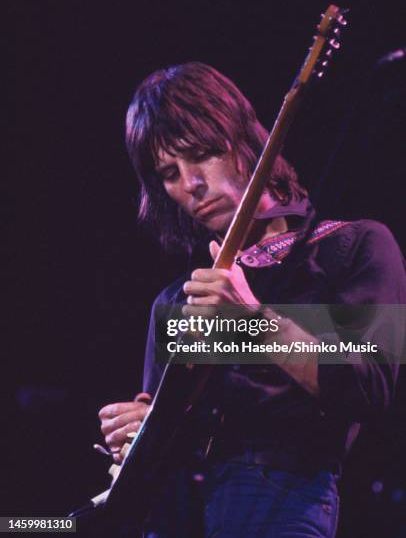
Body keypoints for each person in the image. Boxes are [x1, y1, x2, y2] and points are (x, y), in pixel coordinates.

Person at [98, 62, 406, 537]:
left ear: (243, 141)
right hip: (177, 514)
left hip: (277, 499)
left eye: (201, 154)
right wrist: (144, 432)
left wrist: (252, 320)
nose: (190, 185)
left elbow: (369, 385)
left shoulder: (355, 246)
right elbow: (166, 438)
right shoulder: (174, 301)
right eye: (168, 173)